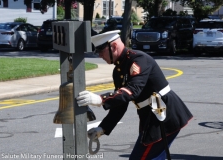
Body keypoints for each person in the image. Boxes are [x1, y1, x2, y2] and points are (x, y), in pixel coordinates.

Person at [76, 30, 193, 159]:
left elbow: (133, 90)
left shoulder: (138, 59)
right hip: (150, 116)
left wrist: (100, 99)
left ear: (113, 47)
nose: (99, 56)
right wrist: (103, 128)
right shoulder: (118, 70)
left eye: (100, 51)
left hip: (163, 114)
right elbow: (120, 104)